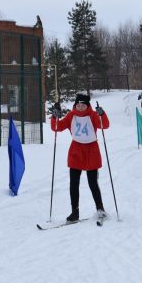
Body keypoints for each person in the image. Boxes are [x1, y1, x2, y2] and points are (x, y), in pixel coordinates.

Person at [51, 93, 110, 222]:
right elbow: (57, 127)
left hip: (91, 151)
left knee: (92, 182)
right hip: (76, 151)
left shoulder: (93, 115)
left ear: (87, 105)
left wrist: (102, 114)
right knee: (73, 183)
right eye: (78, 104)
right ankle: (74, 212)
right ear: (75, 105)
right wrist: (54, 116)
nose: (80, 106)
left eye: (83, 104)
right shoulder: (71, 115)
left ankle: (100, 209)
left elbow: (104, 125)